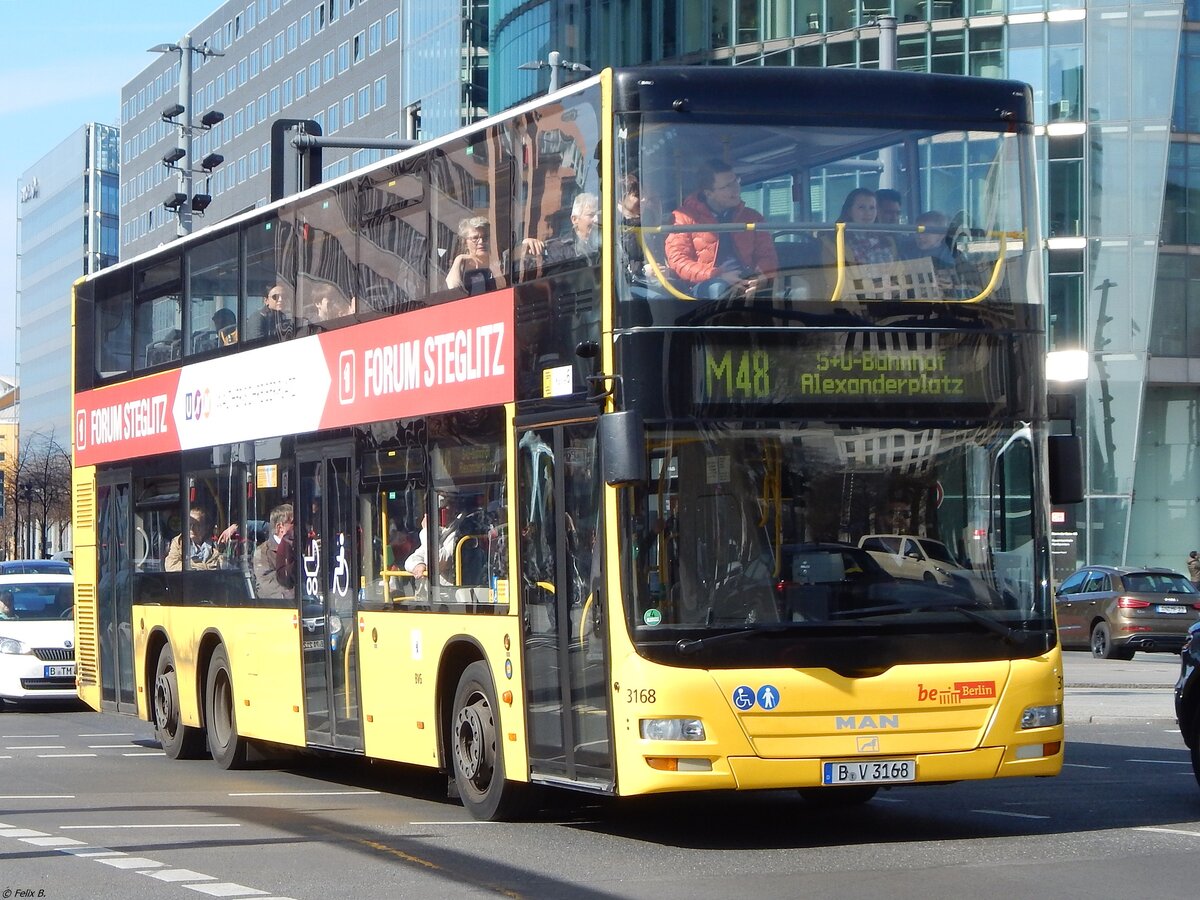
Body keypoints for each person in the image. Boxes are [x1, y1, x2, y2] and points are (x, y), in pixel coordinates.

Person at [665, 159, 777, 300]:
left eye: (736, 181)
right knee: (720, 289)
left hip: (748, 279)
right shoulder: (683, 218)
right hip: (705, 283)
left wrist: (761, 277)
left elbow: (767, 255)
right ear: (708, 193)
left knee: (800, 290)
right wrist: (717, 275)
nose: (735, 189)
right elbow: (678, 261)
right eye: (727, 186)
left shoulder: (752, 217)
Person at [519, 192, 601, 272]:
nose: (596, 219)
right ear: (574, 219)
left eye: (598, 214)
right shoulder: (558, 249)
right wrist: (524, 248)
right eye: (590, 215)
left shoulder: (607, 238)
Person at [828, 188, 898, 266]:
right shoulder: (833, 243)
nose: (868, 213)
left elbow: (899, 271)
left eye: (872, 208)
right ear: (849, 211)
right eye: (861, 207)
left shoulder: (888, 242)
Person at [165, 508, 237, 571]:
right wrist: (202, 569)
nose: (191, 528)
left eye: (197, 525)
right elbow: (171, 566)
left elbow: (225, 566)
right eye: (189, 524)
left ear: (206, 527)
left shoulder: (217, 542)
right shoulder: (178, 542)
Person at [446, 216, 502, 294]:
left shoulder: (497, 262)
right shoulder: (462, 262)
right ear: (465, 242)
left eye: (485, 237)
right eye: (475, 238)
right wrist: (459, 259)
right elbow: (453, 287)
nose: (481, 241)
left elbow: (503, 287)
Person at [253, 503, 296, 599]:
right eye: (293, 523)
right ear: (280, 528)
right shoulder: (264, 552)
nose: (298, 527)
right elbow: (267, 586)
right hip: (281, 607)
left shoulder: (296, 547)